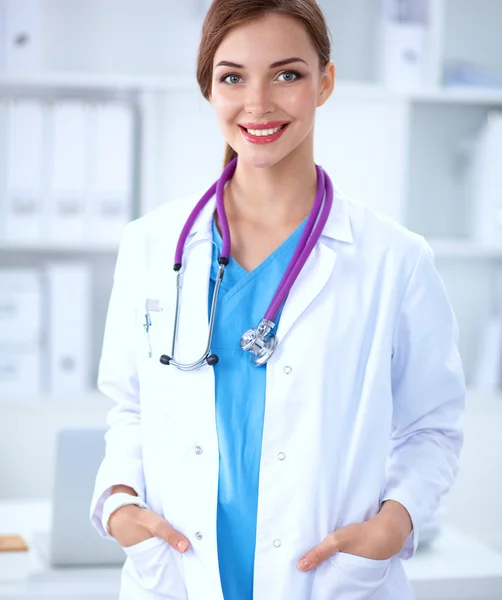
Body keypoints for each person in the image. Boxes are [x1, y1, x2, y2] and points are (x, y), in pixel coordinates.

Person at [90, 1, 466, 599]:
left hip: (331, 580)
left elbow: (432, 426)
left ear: (326, 82)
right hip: (180, 574)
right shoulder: (150, 246)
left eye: (287, 74)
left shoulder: (396, 259)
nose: (258, 103)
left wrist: (395, 523)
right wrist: (118, 504)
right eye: (232, 77)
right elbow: (129, 408)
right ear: (209, 90)